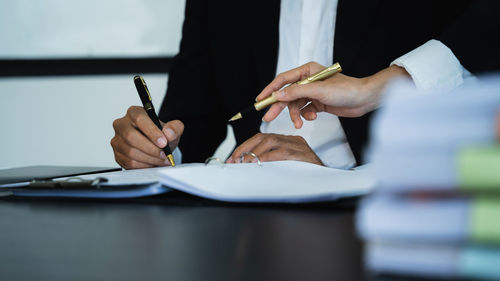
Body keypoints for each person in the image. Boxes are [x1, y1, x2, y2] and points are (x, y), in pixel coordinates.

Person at [112, 0, 498, 169]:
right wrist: (157, 148)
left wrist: (378, 87)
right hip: (247, 220)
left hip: (394, 211)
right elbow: (191, 118)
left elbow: (486, 34)